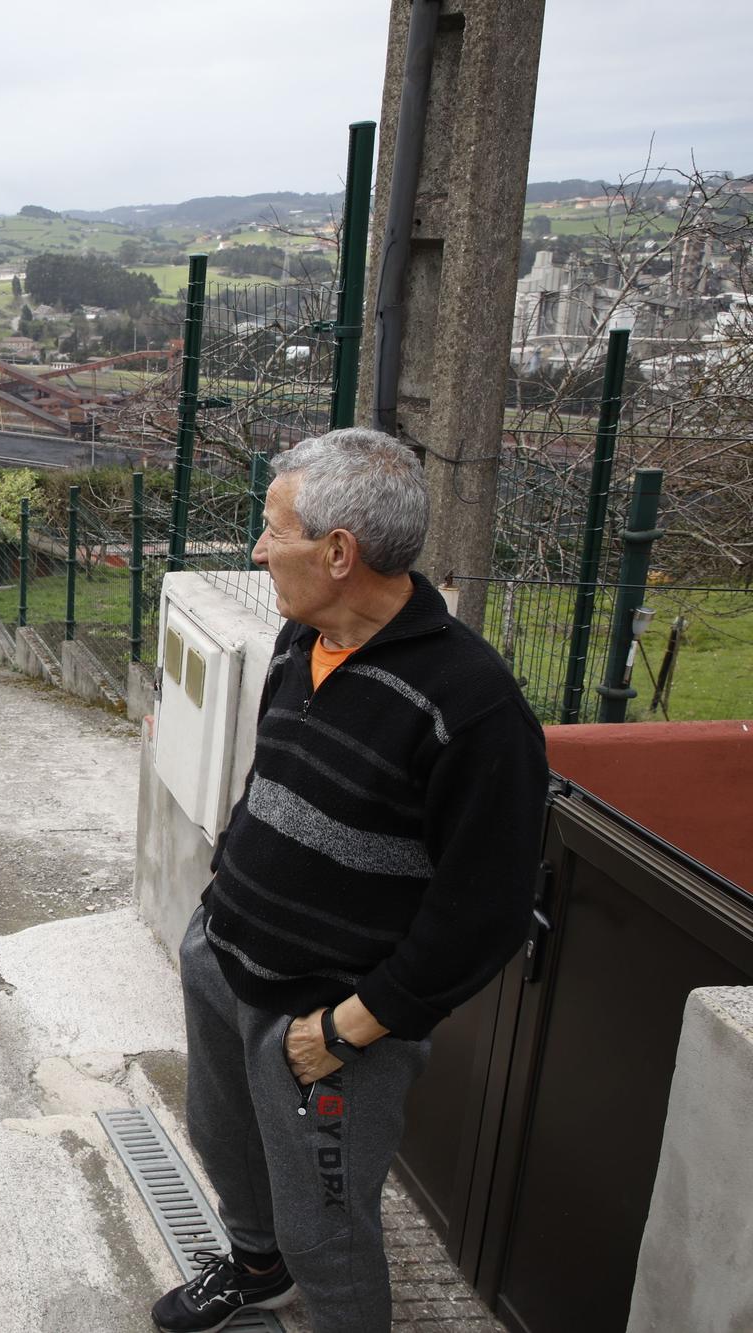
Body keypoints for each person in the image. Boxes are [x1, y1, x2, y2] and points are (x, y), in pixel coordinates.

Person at [150, 429, 547, 1333]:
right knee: (225, 1143)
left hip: (326, 1018)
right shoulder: (302, 637)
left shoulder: (475, 708)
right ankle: (256, 1268)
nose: (256, 549)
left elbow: (485, 912)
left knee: (325, 1228)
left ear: (339, 551)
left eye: (271, 528)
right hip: (226, 954)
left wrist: (347, 1028)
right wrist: (213, 917)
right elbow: (273, 778)